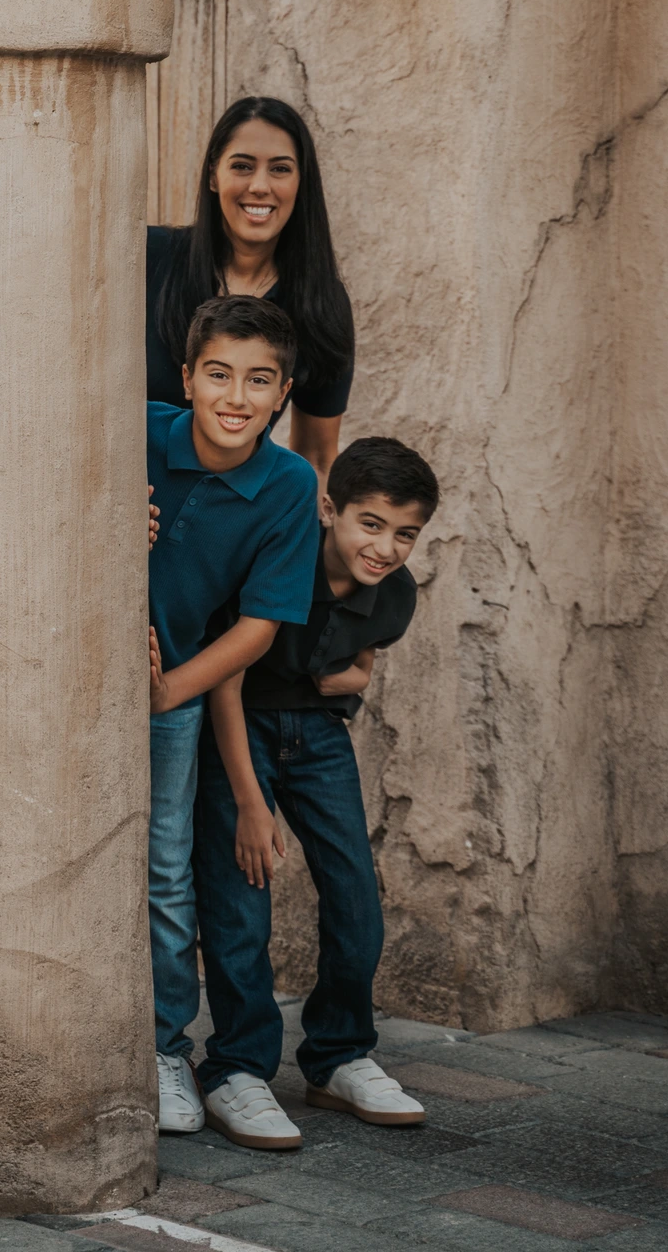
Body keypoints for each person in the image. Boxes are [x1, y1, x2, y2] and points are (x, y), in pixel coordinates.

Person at [191, 437, 440, 1150]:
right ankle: (235, 1068)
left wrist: (356, 677)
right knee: (242, 901)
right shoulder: (280, 554)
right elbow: (227, 681)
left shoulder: (394, 590)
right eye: (370, 523)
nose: (385, 546)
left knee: (356, 897)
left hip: (318, 736)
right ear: (329, 510)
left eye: (403, 533)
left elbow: (363, 646)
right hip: (238, 728)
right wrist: (248, 802)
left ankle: (337, 1057)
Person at [145, 295, 321, 1138]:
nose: (236, 395)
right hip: (66, 684)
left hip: (172, 691)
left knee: (167, 873)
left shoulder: (288, 484)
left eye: (259, 380)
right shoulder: (136, 433)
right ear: (187, 378)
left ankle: (162, 1050)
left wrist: (170, 692)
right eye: (218, 374)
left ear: (282, 392)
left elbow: (257, 627)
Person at [147, 98, 354, 492]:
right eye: (242, 166)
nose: (260, 186)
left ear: (301, 182)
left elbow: (316, 458)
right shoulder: (148, 259)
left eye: (279, 169)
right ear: (213, 176)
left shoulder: (320, 303)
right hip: (125, 514)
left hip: (231, 528)